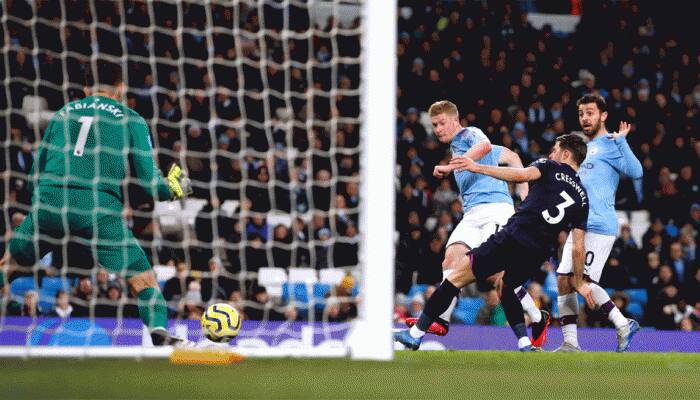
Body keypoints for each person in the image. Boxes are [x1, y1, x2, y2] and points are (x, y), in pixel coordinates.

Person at [0, 61, 192, 346]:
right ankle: (158, 331)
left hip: (51, 203)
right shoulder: (131, 119)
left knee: (9, 265)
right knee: (144, 281)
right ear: (122, 88)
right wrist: (175, 188)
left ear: (86, 88)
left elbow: (32, 180)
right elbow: (153, 187)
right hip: (98, 209)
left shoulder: (62, 114)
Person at [395, 134, 594, 351]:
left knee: (455, 277)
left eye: (555, 150)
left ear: (566, 154)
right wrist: (580, 282)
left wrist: (478, 168)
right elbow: (578, 246)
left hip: (514, 237)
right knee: (504, 285)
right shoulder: (583, 197)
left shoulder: (549, 166)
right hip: (537, 253)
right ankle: (525, 343)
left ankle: (415, 334)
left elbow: (521, 175)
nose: (551, 153)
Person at [404, 100, 551, 347]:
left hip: (495, 210)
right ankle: (442, 319)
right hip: (471, 214)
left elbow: (483, 145)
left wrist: (524, 196)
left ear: (454, 120)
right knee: (450, 260)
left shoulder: (469, 135)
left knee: (497, 275)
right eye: (434, 125)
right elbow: (513, 156)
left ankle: (537, 316)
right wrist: (524, 191)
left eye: (441, 123)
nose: (438, 129)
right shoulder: (457, 147)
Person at [555, 95, 642, 352]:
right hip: (579, 224)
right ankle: (570, 342)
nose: (585, 118)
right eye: (581, 113)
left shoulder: (611, 144)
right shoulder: (583, 148)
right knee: (563, 279)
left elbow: (636, 172)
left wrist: (623, 142)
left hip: (600, 224)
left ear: (603, 115)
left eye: (590, 113)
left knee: (582, 280)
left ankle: (622, 323)